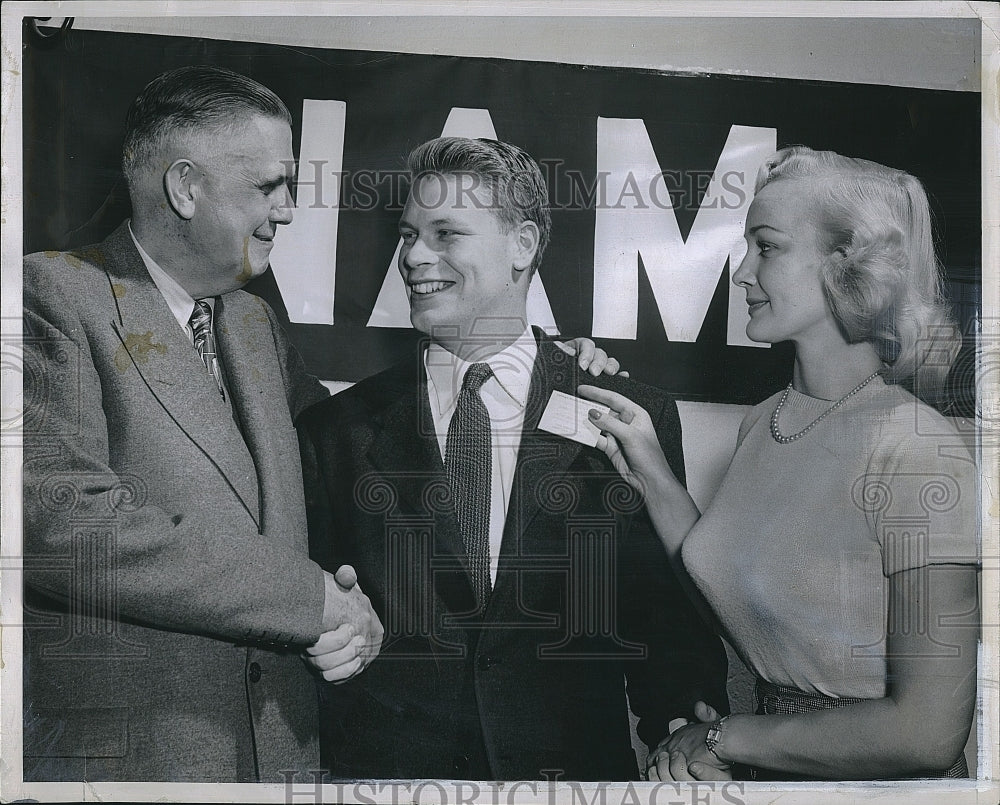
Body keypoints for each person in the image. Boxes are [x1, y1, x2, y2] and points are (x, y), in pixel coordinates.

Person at [21, 66, 617, 783]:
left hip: (280, 757)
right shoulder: (50, 294)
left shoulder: (249, 322)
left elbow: (358, 443)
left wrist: (540, 363)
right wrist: (314, 603)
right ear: (185, 186)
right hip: (139, 762)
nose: (288, 211)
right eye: (270, 186)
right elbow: (67, 529)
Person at [299, 136, 728, 781]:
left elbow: (661, 611)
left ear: (523, 246)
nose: (414, 256)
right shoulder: (337, 430)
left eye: (446, 233)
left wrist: (685, 727)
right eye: (409, 234)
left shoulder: (624, 414)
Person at [580, 146, 979, 781]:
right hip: (773, 775)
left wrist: (724, 738)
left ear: (850, 267)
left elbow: (927, 732)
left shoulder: (914, 448)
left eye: (765, 247)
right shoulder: (765, 421)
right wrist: (651, 470)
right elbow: (738, 592)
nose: (741, 273)